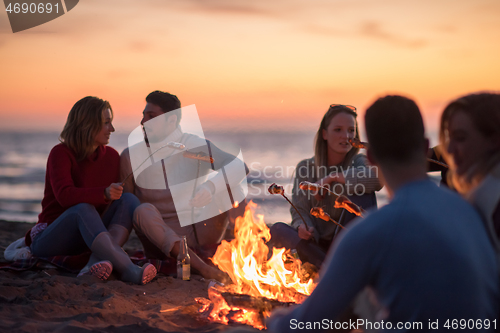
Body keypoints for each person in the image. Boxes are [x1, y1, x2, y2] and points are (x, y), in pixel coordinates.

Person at [267, 95, 499, 332]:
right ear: (424, 147)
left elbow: (301, 324)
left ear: (370, 158)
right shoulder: (473, 215)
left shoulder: (372, 233)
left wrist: (268, 319)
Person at [25, 96, 157, 285]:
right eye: (106, 123)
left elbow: (116, 205)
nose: (112, 129)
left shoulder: (111, 156)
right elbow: (64, 196)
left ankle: (94, 263)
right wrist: (103, 193)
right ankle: (129, 269)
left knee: (128, 199)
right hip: (51, 238)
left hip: (89, 236)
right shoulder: (60, 153)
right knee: (83, 209)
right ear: (87, 124)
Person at [120, 91, 247, 281]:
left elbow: (239, 166)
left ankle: (246, 254)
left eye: (151, 116)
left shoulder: (192, 147)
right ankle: (203, 269)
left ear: (171, 121)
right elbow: (126, 207)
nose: (143, 121)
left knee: (232, 188)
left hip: (196, 234)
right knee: (141, 210)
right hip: (158, 239)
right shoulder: (131, 156)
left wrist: (209, 188)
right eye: (143, 115)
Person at [268, 104, 382, 268]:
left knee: (362, 191)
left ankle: (340, 269)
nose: (346, 136)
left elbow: (378, 179)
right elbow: (300, 209)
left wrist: (332, 178)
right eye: (338, 130)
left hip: (350, 248)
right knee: (278, 229)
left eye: (351, 130)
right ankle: (328, 269)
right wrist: (302, 226)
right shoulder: (306, 168)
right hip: (317, 248)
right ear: (324, 134)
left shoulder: (358, 162)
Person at [439, 92, 500, 258]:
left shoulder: (489, 202)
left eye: (460, 138)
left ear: (494, 140)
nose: (450, 150)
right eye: (449, 138)